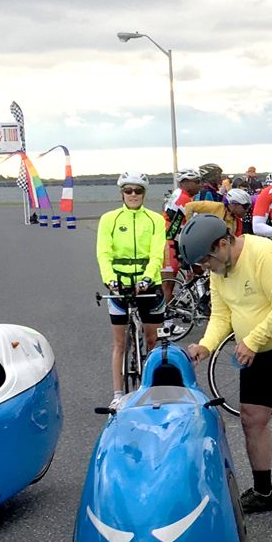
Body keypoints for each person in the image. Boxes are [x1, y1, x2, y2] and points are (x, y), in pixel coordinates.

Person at [179, 216, 272, 526]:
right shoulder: (220, 268)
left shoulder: (263, 256)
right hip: (255, 344)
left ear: (224, 243)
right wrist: (205, 346)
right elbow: (222, 314)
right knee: (251, 417)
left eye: (207, 259)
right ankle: (264, 491)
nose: (206, 267)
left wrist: (254, 340)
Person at [97, 173, 167, 407]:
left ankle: (156, 389)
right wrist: (109, 280)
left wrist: (147, 278)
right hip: (119, 285)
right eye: (129, 190)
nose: (134, 195)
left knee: (153, 340)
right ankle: (117, 395)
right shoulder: (110, 219)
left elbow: (158, 252)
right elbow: (103, 253)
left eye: (138, 191)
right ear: (122, 193)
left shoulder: (155, 219)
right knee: (119, 343)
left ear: (144, 193)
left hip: (148, 285)